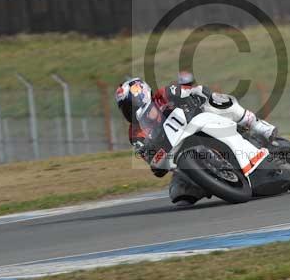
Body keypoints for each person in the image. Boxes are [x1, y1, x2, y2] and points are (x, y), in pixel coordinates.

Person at [115, 75, 277, 205]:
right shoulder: (135, 133)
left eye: (129, 104)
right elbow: (150, 159)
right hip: (180, 156)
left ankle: (258, 125)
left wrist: (195, 93)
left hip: (201, 123)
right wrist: (156, 163)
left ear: (141, 95)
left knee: (217, 101)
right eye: (124, 108)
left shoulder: (164, 94)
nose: (128, 111)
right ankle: (218, 179)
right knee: (180, 196)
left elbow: (193, 90)